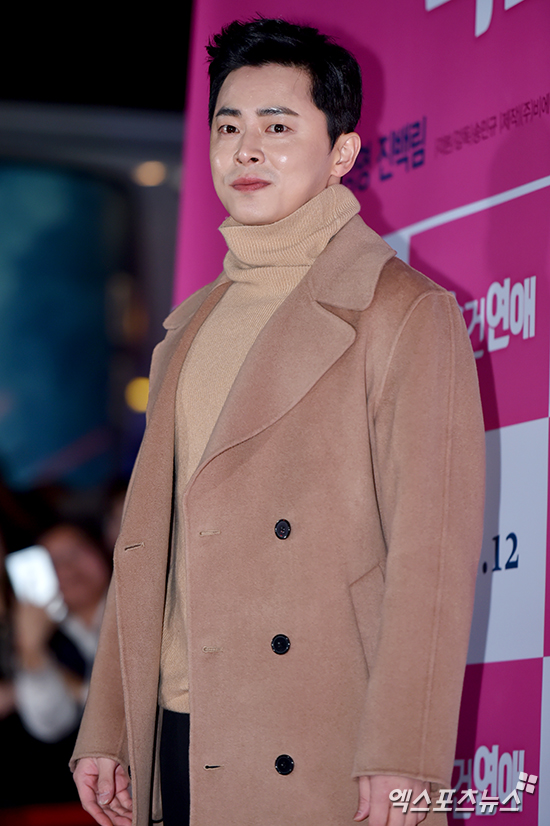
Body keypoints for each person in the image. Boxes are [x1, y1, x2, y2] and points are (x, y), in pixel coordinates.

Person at [71, 18, 485, 826]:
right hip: (182, 733)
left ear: (342, 152)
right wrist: (110, 726)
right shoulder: (187, 327)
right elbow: (147, 544)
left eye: (278, 126)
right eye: (228, 127)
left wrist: (405, 756)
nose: (246, 150)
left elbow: (432, 556)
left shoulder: (402, 311)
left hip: (323, 737)